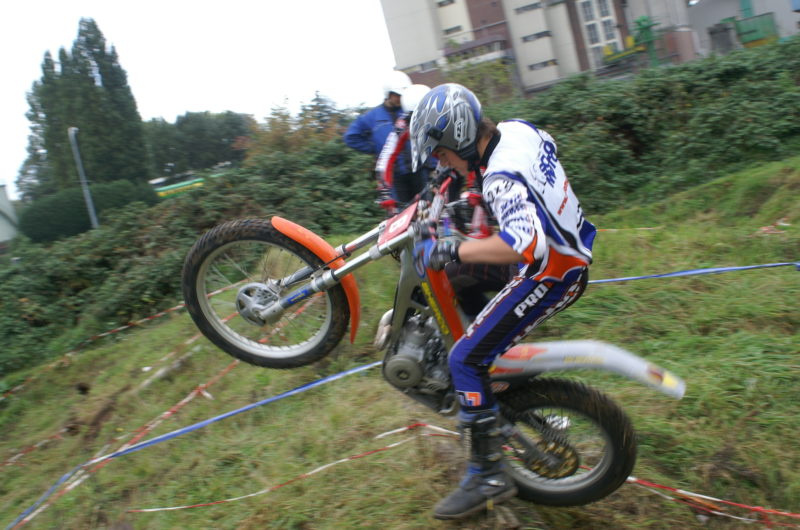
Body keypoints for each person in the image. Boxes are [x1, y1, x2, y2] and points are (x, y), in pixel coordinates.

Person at [408, 83, 597, 520]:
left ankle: (487, 475)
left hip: (552, 273)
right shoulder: (515, 130)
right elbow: (543, 150)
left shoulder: (500, 177)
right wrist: (454, 193)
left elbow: (525, 243)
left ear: (460, 138)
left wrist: (451, 247)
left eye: (442, 153)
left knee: (463, 358)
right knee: (458, 282)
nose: (441, 161)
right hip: (564, 248)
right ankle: (497, 373)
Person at [343, 72, 430, 211]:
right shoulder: (372, 116)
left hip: (419, 169)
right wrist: (375, 148)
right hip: (395, 176)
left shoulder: (410, 109)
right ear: (388, 94)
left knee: (428, 208)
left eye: (403, 94)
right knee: (403, 214)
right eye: (397, 95)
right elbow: (351, 137)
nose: (401, 98)